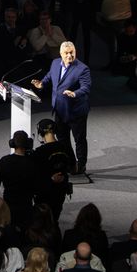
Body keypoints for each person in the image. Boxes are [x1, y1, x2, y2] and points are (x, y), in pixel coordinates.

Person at [32, 41, 92, 174]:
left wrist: (75, 93)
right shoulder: (55, 63)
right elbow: (50, 76)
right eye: (66, 53)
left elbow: (86, 87)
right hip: (59, 110)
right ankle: (71, 163)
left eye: (72, 52)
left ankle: (81, 165)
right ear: (60, 54)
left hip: (76, 111)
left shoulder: (82, 69)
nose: (70, 55)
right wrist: (42, 84)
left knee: (79, 140)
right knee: (63, 139)